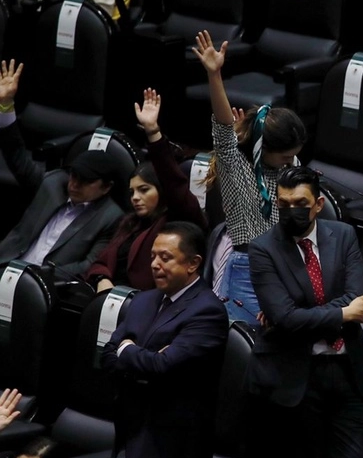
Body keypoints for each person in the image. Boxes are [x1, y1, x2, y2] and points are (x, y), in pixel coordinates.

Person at [246, 166, 363, 458]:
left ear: (318, 204)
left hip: (346, 368)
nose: (291, 212)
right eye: (283, 205)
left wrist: (309, 315)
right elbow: (282, 317)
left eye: (300, 204)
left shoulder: (344, 236)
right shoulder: (265, 248)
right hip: (299, 375)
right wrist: (340, 314)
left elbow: (361, 300)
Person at [102, 222, 228, 458]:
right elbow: (109, 356)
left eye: (165, 257)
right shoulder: (143, 300)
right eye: (154, 255)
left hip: (175, 450)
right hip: (138, 434)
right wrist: (140, 358)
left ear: (193, 264)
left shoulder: (206, 311)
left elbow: (166, 365)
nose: (155, 264)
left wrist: (134, 356)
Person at [195, 29, 307, 324]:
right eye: (285, 156)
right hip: (247, 270)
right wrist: (215, 75)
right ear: (263, 149)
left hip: (288, 269)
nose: (291, 162)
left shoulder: (289, 169)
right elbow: (222, 127)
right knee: (243, 346)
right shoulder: (236, 167)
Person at [0, 60, 123, 276]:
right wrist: (6, 105)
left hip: (45, 285)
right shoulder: (53, 182)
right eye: (74, 176)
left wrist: (39, 276)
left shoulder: (111, 217)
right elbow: (16, 154)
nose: (74, 184)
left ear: (106, 187)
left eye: (85, 181)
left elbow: (89, 265)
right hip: (6, 264)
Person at [86, 89, 207, 292]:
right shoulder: (130, 223)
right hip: (111, 299)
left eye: (144, 190)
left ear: (161, 190)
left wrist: (153, 133)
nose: (136, 198)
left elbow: (173, 183)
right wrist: (101, 279)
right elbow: (101, 262)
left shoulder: (180, 217)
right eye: (132, 192)